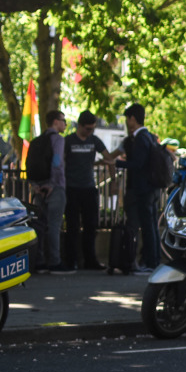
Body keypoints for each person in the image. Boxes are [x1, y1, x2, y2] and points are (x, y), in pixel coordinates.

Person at [114, 103, 162, 274]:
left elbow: (138, 164)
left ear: (132, 119)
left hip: (143, 188)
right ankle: (154, 260)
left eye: (127, 119)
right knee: (152, 225)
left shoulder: (140, 139)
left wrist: (118, 163)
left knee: (148, 226)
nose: (127, 123)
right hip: (153, 187)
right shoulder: (150, 136)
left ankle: (150, 262)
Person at [64, 111, 112, 270]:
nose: (90, 132)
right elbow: (60, 162)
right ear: (79, 126)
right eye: (87, 129)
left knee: (91, 226)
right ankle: (71, 260)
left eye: (92, 129)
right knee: (72, 226)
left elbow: (109, 158)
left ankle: (90, 260)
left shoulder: (94, 140)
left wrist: (114, 181)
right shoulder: (68, 141)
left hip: (89, 188)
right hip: (71, 188)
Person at [29, 110, 72, 274]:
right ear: (55, 122)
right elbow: (57, 162)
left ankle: (38, 261)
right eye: (63, 121)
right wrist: (53, 184)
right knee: (54, 225)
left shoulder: (37, 141)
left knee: (39, 225)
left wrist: (35, 185)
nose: (65, 124)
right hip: (54, 187)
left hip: (38, 188)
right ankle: (55, 261)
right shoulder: (58, 140)